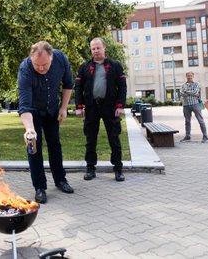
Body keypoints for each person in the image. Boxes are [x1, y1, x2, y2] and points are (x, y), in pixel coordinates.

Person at [17, 41, 74, 204]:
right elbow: (24, 104)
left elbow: (68, 84)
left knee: (55, 144)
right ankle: (40, 187)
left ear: (52, 57)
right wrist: (29, 129)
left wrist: (63, 108)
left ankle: (60, 180)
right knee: (34, 148)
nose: (41, 69)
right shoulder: (25, 69)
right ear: (31, 59)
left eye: (45, 65)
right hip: (33, 111)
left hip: (52, 109)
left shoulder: (61, 58)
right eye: (37, 65)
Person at [74, 37, 127, 182]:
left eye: (98, 48)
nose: (96, 51)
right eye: (93, 48)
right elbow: (78, 88)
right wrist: (79, 107)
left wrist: (120, 106)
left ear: (104, 48)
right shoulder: (84, 67)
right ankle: (90, 168)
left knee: (114, 138)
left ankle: (118, 169)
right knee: (90, 139)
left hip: (110, 107)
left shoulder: (115, 65)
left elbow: (122, 86)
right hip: (91, 108)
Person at [180, 71, 208, 143]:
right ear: (186, 76)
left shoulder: (196, 84)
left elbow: (196, 93)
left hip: (195, 104)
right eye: (188, 75)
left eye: (190, 75)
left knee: (200, 120)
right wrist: (190, 93)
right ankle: (187, 136)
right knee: (187, 121)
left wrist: (186, 92)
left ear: (193, 76)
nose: (189, 77)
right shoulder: (183, 85)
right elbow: (181, 93)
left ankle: (205, 136)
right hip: (186, 105)